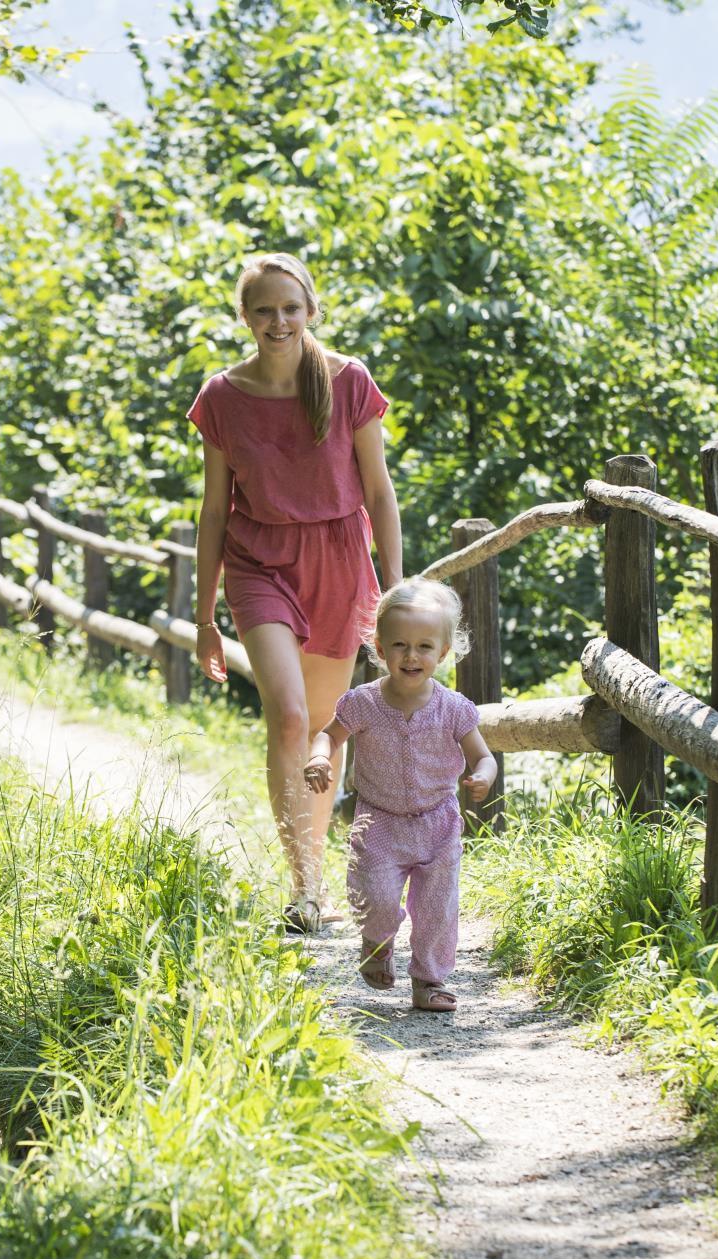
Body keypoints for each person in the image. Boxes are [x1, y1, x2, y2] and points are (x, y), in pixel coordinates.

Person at [188, 252, 402, 936]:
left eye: (289, 307)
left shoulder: (348, 382)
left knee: (321, 725)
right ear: (244, 317)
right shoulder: (222, 397)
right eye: (262, 310)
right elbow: (214, 512)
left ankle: (314, 866)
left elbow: (378, 492)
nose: (277, 321)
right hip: (259, 562)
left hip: (338, 561)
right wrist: (203, 617)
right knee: (286, 715)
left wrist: (395, 588)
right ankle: (305, 886)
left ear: (310, 308)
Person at [304, 578, 497, 1012]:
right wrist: (319, 759)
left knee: (436, 909)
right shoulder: (362, 703)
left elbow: (483, 757)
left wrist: (483, 776)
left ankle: (429, 980)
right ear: (379, 646)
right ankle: (376, 943)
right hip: (378, 821)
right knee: (374, 895)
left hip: (438, 821)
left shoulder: (455, 709)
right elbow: (328, 736)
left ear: (443, 652)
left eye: (424, 647)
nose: (412, 656)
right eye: (400, 645)